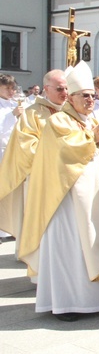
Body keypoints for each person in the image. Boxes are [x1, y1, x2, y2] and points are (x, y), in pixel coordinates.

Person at [19, 61, 99, 321]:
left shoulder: (90, 120)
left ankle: (96, 301)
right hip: (65, 201)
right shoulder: (58, 121)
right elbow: (65, 152)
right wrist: (94, 141)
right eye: (85, 96)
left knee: (92, 241)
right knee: (71, 250)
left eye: (92, 96)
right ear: (72, 98)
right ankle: (67, 304)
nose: (90, 100)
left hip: (93, 197)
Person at [0, 70, 68, 245]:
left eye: (67, 88)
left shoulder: (69, 112)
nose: (65, 93)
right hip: (40, 174)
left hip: (66, 173)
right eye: (60, 89)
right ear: (46, 88)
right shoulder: (33, 113)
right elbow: (25, 145)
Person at [0, 73, 23, 240]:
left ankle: (10, 227)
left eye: (13, 88)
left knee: (14, 189)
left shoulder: (16, 104)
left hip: (15, 151)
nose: (11, 90)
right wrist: (12, 115)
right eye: (7, 87)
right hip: (1, 151)